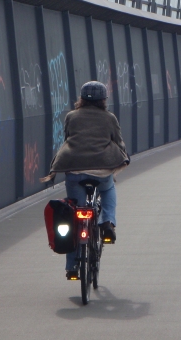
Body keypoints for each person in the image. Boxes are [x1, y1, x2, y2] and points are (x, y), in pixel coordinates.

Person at [42, 81, 129, 279]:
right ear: (103, 100)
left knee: (75, 215)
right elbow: (118, 141)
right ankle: (107, 223)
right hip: (101, 170)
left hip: (75, 170)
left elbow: (68, 138)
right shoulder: (109, 118)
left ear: (81, 99)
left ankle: (72, 267)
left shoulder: (71, 116)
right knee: (108, 190)